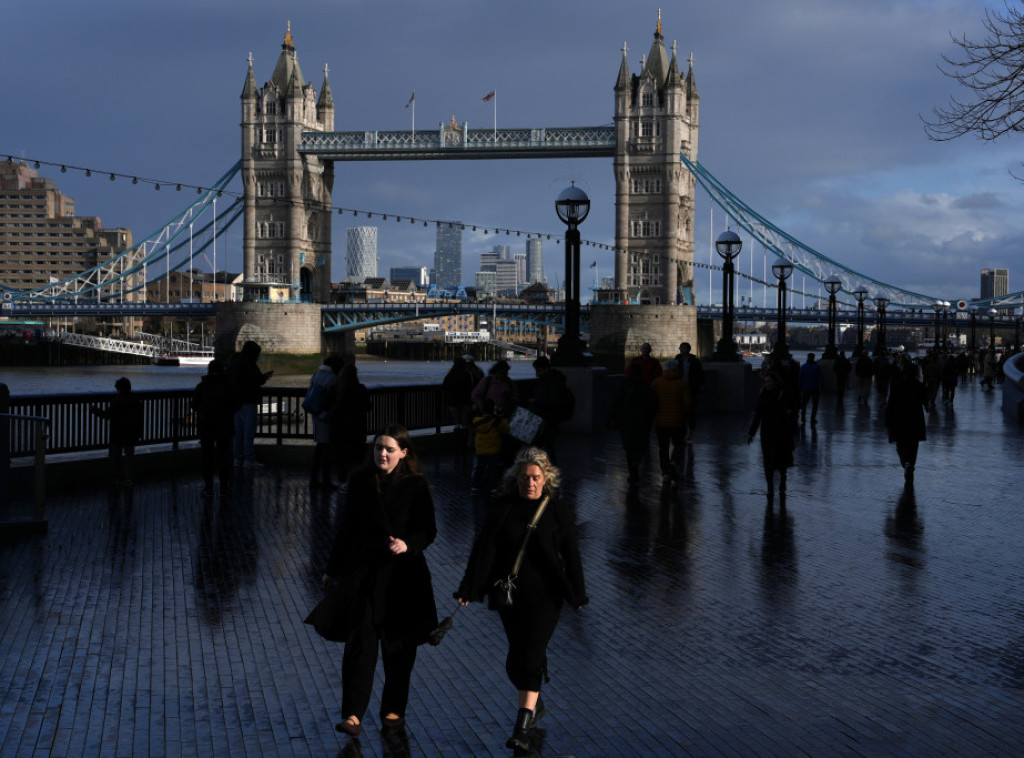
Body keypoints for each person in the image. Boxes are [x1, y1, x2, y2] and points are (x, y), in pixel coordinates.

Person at [455, 446, 588, 753]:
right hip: (510, 597)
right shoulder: (503, 507)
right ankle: (534, 696)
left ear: (546, 479)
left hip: (546, 598)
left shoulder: (556, 510)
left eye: (536, 478)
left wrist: (577, 593)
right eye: (525, 477)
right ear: (516, 478)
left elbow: (571, 554)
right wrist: (469, 588)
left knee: (529, 658)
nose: (530, 483)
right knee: (516, 662)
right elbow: (484, 549)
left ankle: (522, 727)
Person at [322, 425, 438, 736]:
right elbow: (346, 528)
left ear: (404, 453)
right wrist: (332, 569)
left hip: (404, 577)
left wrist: (407, 544)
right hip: (366, 574)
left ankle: (393, 709)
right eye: (378, 448)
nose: (382, 454)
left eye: (389, 449)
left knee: (399, 647)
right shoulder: (361, 481)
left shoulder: (415, 485)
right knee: (360, 644)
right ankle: (352, 714)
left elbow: (428, 530)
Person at [192, 360, 239, 498]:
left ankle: (208, 488)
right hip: (224, 426)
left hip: (206, 426)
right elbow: (236, 405)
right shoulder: (228, 386)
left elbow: (194, 404)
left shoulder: (202, 386)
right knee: (224, 457)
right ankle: (224, 488)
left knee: (207, 457)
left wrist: (203, 411)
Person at [747, 371, 795, 505]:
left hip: (781, 431)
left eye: (769, 381)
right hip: (768, 432)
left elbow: (791, 409)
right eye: (765, 382)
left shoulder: (782, 394)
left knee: (780, 459)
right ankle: (770, 487)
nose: (767, 384)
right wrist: (751, 432)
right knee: (768, 460)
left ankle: (782, 481)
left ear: (775, 382)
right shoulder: (764, 395)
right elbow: (758, 414)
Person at [609, 361, 657, 485]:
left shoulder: (624, 384)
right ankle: (636, 463)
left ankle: (632, 470)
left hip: (626, 419)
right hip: (642, 420)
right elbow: (651, 404)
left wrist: (612, 418)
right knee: (640, 445)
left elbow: (617, 402)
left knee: (629, 446)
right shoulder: (645, 385)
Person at [89, 376, 143, 485]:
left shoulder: (117, 401)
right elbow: (139, 418)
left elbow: (107, 415)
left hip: (117, 434)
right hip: (131, 433)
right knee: (129, 457)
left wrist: (94, 410)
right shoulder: (136, 400)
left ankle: (116, 478)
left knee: (116, 457)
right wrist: (139, 432)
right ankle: (128, 478)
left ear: (119, 389)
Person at [229, 340, 273, 468]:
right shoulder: (250, 364)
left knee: (237, 432)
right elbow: (257, 380)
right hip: (248, 401)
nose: (258, 357)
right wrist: (265, 376)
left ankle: (237, 458)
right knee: (248, 432)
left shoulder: (234, 363)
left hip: (235, 403)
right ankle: (249, 458)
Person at [885, 362, 927, 484]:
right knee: (913, 446)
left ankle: (905, 463)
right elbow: (926, 400)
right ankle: (910, 464)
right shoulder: (919, 385)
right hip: (915, 420)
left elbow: (890, 405)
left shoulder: (897, 385)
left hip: (900, 419)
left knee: (900, 445)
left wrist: (888, 421)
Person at [307, 355, 344, 489]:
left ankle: (314, 478)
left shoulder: (316, 375)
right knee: (326, 449)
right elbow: (334, 398)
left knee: (320, 448)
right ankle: (326, 480)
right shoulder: (332, 378)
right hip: (327, 415)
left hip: (316, 414)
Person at [650, 359, 691, 483]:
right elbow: (688, 404)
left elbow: (651, 402)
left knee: (663, 447)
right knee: (679, 445)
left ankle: (665, 472)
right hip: (677, 421)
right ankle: (673, 463)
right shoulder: (682, 384)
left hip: (660, 421)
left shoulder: (656, 383)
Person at [331, 363, 371, 486]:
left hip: (340, 427)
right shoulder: (360, 388)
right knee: (357, 456)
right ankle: (356, 482)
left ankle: (342, 482)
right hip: (358, 426)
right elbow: (367, 406)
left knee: (341, 457)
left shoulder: (336, 389)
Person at [528, 355, 573, 463]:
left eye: (538, 370)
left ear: (546, 368)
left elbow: (553, 400)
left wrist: (536, 401)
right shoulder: (553, 380)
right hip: (549, 417)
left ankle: (547, 467)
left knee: (546, 445)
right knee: (547, 446)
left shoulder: (551, 382)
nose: (537, 372)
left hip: (549, 417)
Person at [471, 399, 508, 495]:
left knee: (479, 469)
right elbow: (506, 429)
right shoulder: (496, 421)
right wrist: (502, 417)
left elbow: (474, 431)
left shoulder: (477, 421)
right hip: (493, 449)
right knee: (493, 470)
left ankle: (474, 488)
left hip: (480, 449)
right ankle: (493, 489)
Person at [442, 355, 475, 450]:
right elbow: (470, 387)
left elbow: (445, 386)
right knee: (464, 423)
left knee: (456, 423)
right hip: (465, 402)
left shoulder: (451, 375)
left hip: (454, 402)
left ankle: (457, 443)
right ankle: (464, 443)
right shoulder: (467, 374)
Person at [673, 342, 704, 439]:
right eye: (681, 348)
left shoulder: (694, 360)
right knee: (680, 410)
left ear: (689, 349)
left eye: (684, 348)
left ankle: (690, 430)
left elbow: (700, 374)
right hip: (680, 388)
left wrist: (700, 386)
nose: (682, 350)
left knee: (691, 410)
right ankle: (683, 431)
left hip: (691, 388)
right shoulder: (677, 359)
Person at [798, 352, 824, 425]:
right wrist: (821, 386)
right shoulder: (817, 367)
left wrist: (800, 386)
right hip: (815, 388)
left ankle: (803, 417)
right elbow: (821, 378)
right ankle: (813, 418)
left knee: (804, 403)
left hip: (806, 388)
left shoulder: (803, 367)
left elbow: (800, 378)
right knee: (815, 404)